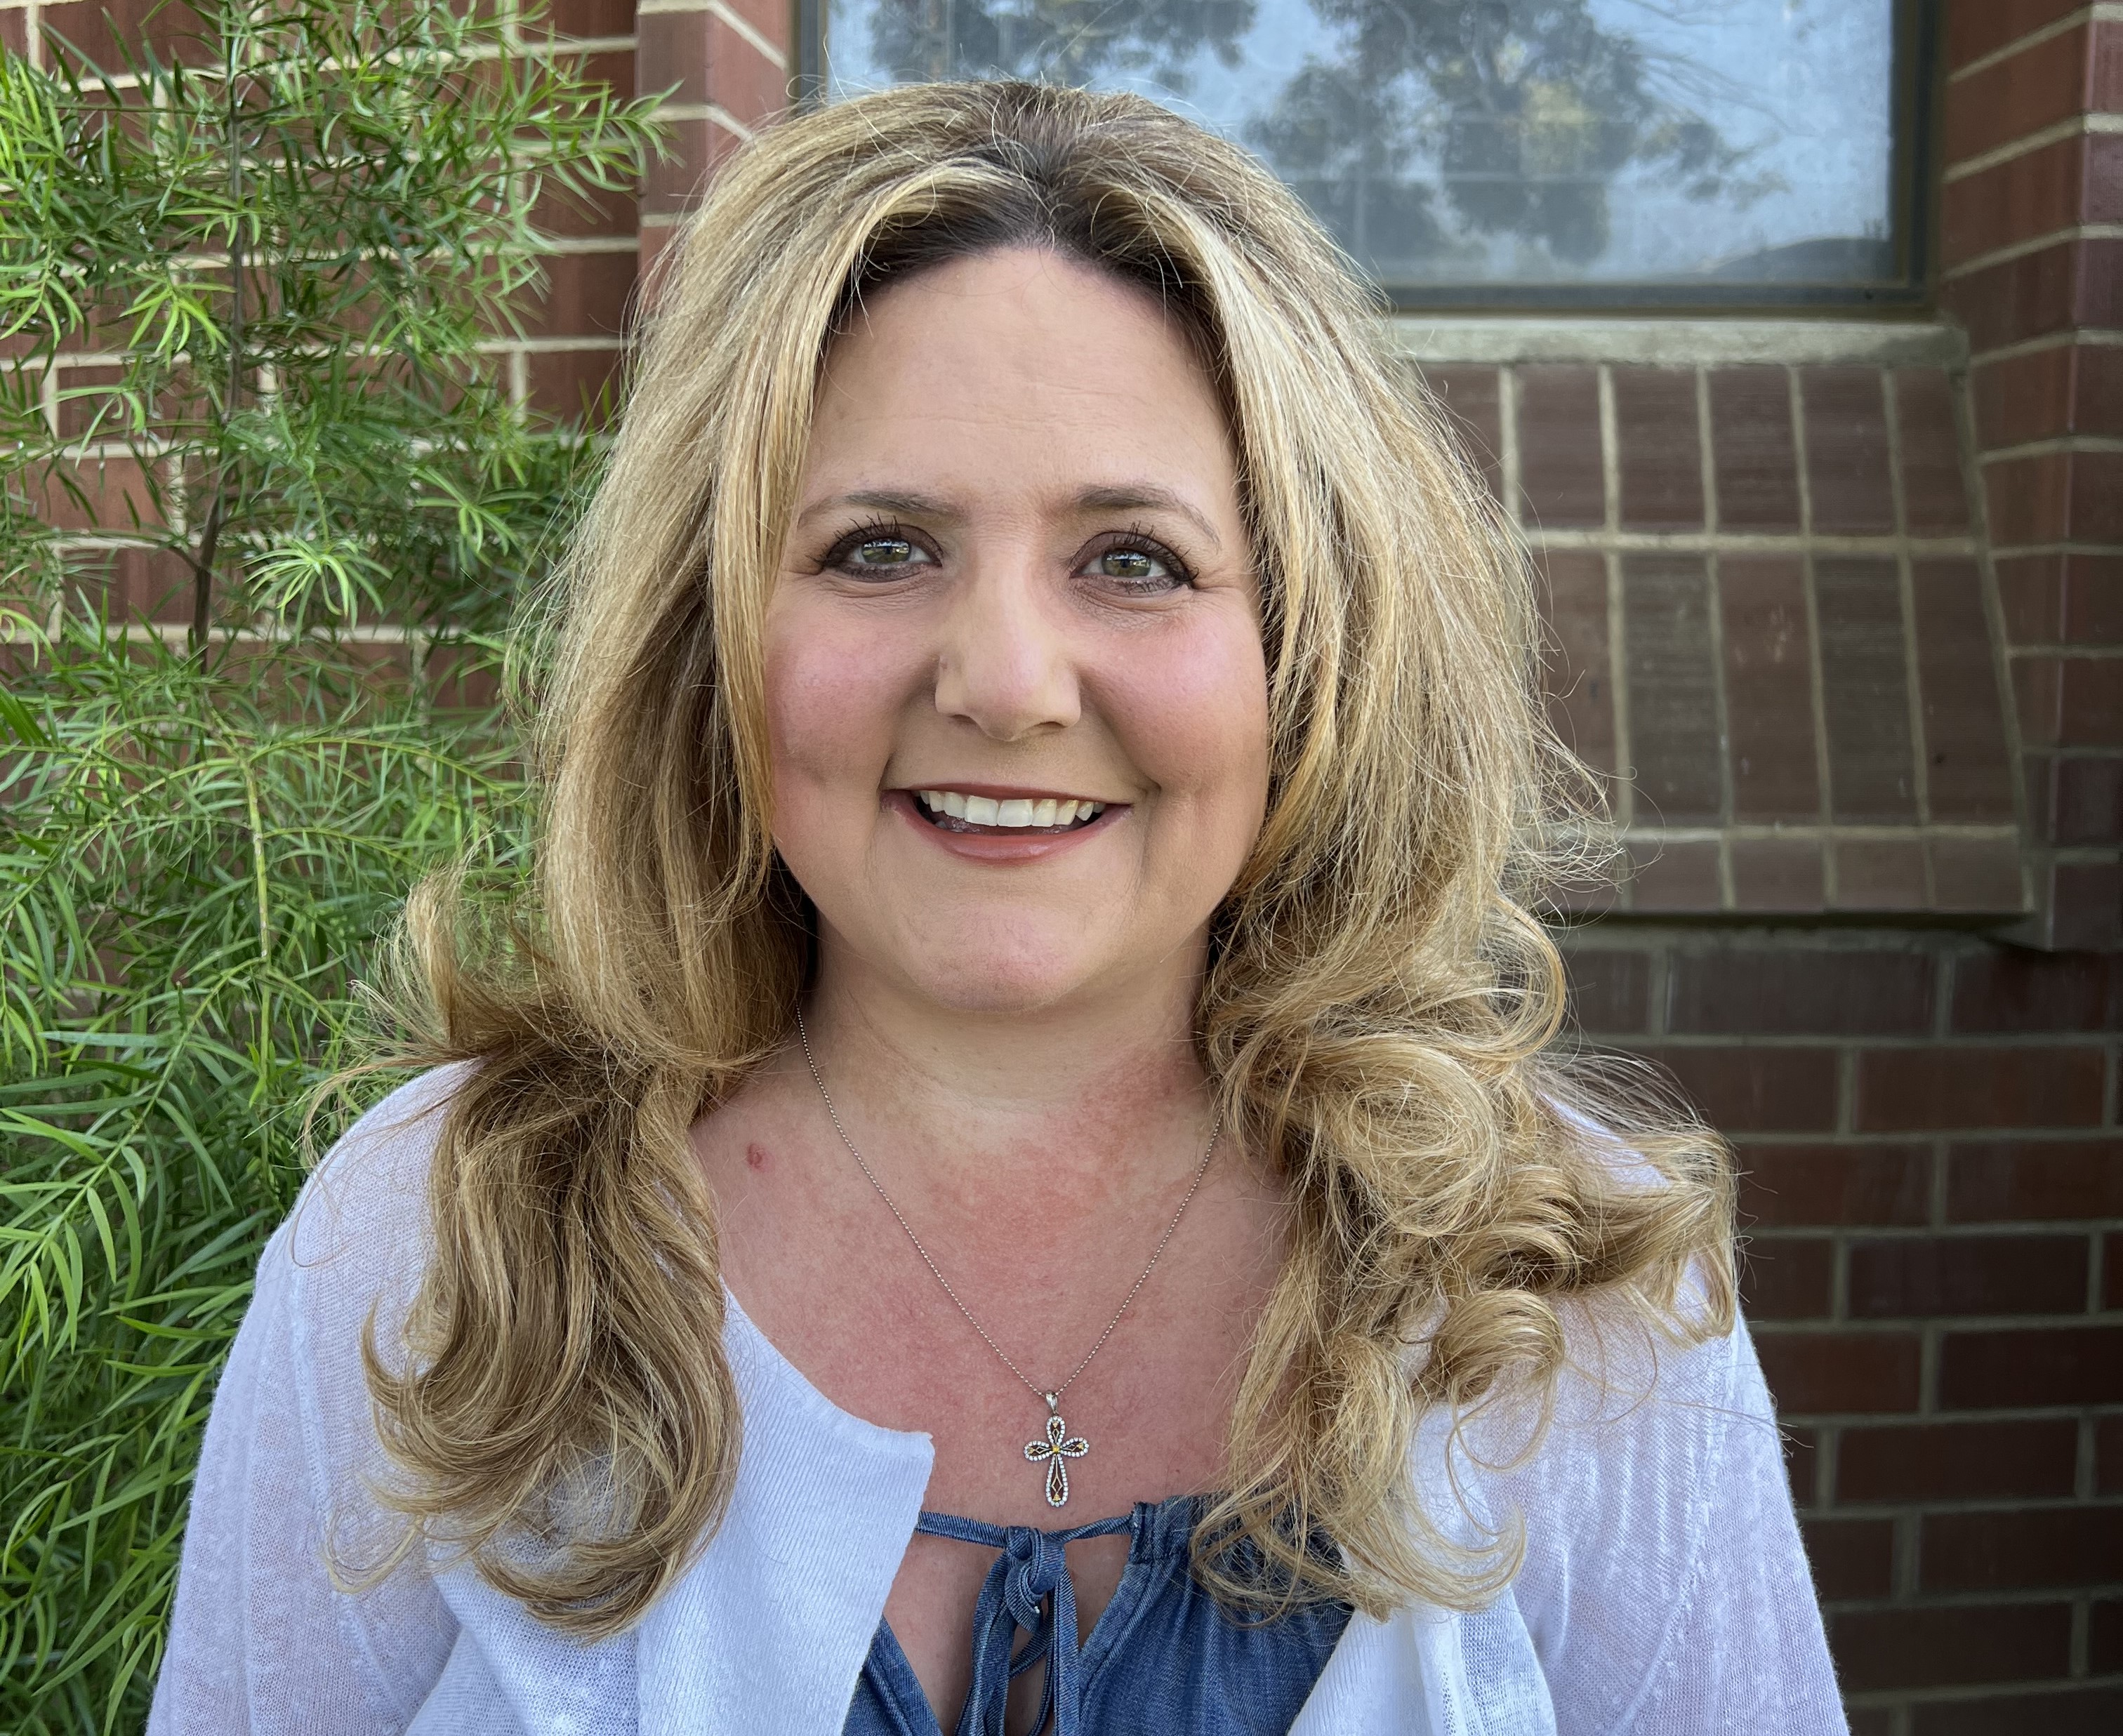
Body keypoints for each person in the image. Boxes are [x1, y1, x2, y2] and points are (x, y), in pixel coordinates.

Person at [148, 80, 1843, 1735]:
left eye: (1133, 558)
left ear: (1309, 652)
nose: (1009, 682)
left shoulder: (1563, 1292)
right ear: (714, 636)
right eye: (881, 548)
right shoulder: (436, 1241)